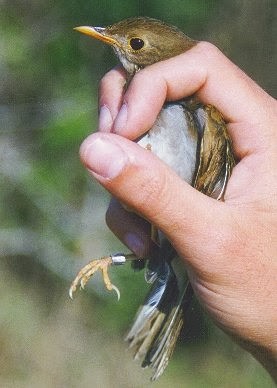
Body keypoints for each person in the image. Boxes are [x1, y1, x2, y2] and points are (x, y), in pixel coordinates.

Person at [79, 42, 277, 380]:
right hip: (168, 244)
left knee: (154, 242)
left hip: (183, 247)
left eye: (136, 43)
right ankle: (124, 263)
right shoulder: (146, 97)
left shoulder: (199, 115)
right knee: (147, 237)